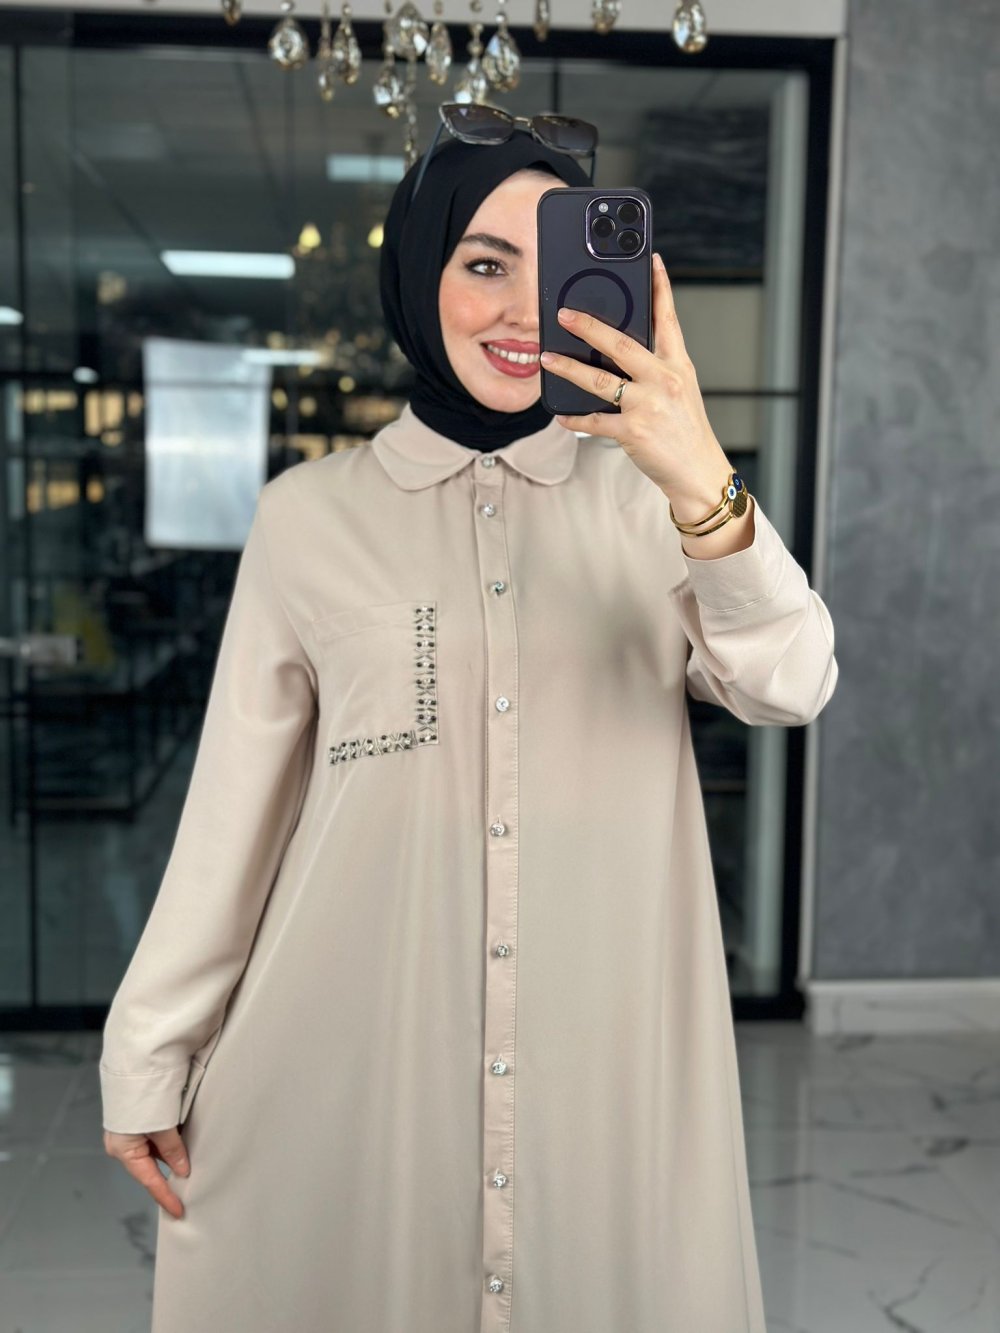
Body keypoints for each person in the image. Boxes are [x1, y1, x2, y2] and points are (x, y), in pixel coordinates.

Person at [100, 119, 837, 1333]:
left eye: (556, 266)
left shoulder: (655, 504)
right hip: (356, 1051)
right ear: (417, 275)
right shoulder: (307, 517)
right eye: (485, 262)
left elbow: (792, 681)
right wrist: (148, 1051)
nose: (524, 308)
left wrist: (700, 474)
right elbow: (233, 817)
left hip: (606, 1064)